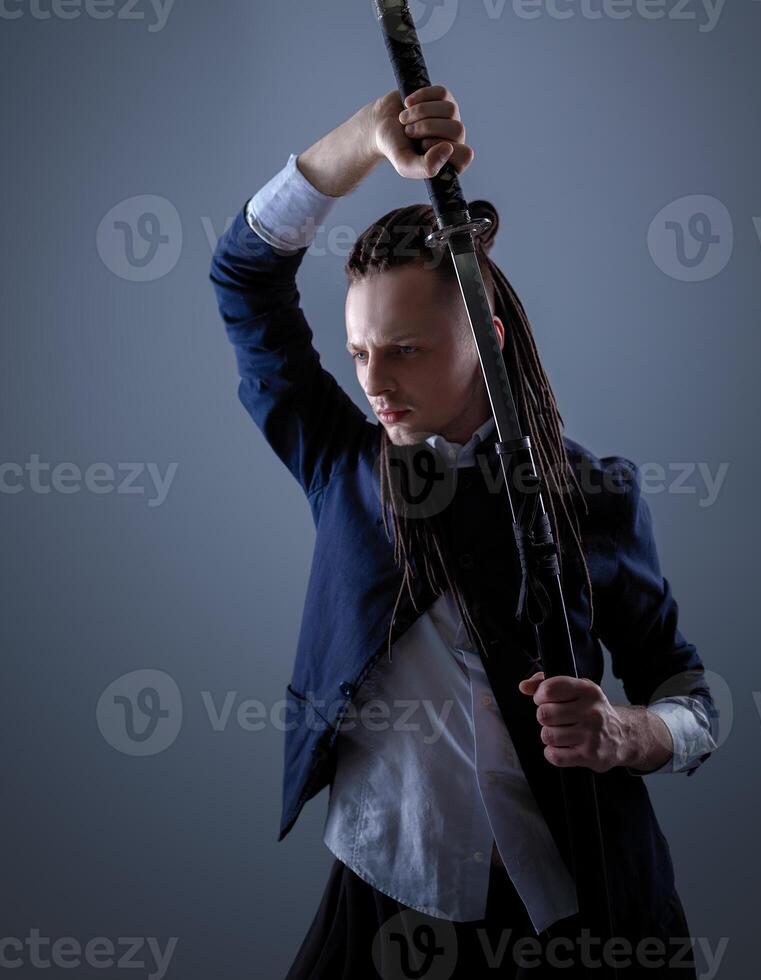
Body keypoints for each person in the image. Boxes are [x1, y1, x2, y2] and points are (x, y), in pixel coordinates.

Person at [209, 85, 718, 978]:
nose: (374, 380)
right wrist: (364, 142)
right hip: (382, 896)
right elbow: (244, 277)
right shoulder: (344, 465)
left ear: (486, 338)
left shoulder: (594, 495)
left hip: (582, 910)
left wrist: (626, 734)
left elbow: (694, 700)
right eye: (360, 351)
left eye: (404, 349)